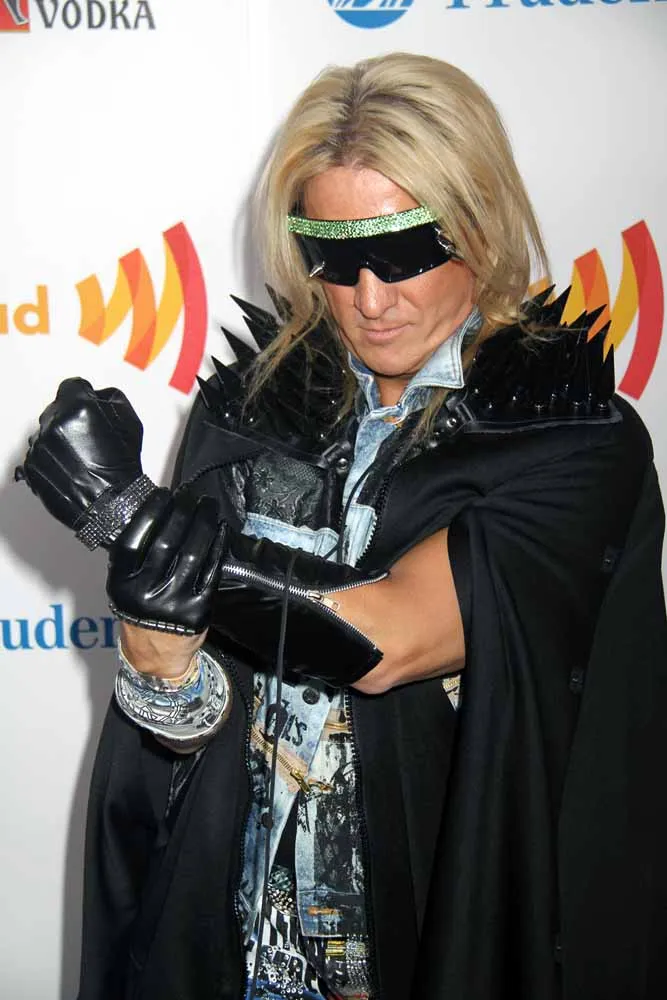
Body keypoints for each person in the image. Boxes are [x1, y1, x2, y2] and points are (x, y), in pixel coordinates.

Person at [16, 53, 667, 1000]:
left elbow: (388, 637)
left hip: (434, 932)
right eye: (333, 255)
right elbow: (179, 698)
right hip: (236, 936)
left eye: (403, 252)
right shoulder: (248, 411)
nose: (370, 296)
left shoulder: (565, 432)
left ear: (480, 224)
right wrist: (162, 667)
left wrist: (129, 517)